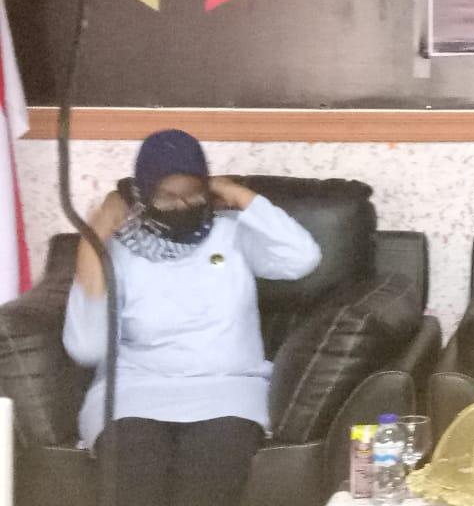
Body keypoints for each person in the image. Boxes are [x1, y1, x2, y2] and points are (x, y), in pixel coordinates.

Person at [62, 129, 322, 506]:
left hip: (227, 391)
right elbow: (86, 347)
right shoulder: (119, 248)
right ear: (143, 194)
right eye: (167, 196)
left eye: (193, 192)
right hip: (135, 393)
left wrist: (237, 194)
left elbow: (302, 258)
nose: (182, 205)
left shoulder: (232, 233)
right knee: (134, 487)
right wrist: (96, 234)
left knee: (206, 489)